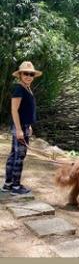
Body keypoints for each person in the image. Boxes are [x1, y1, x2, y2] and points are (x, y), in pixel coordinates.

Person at [1, 61, 42, 195]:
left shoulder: (27, 88)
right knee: (19, 156)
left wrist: (28, 125)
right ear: (20, 75)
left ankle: (8, 185)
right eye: (26, 74)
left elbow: (25, 110)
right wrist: (19, 129)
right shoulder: (19, 88)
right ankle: (16, 187)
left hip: (24, 125)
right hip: (19, 127)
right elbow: (14, 110)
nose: (29, 76)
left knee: (14, 155)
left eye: (31, 74)